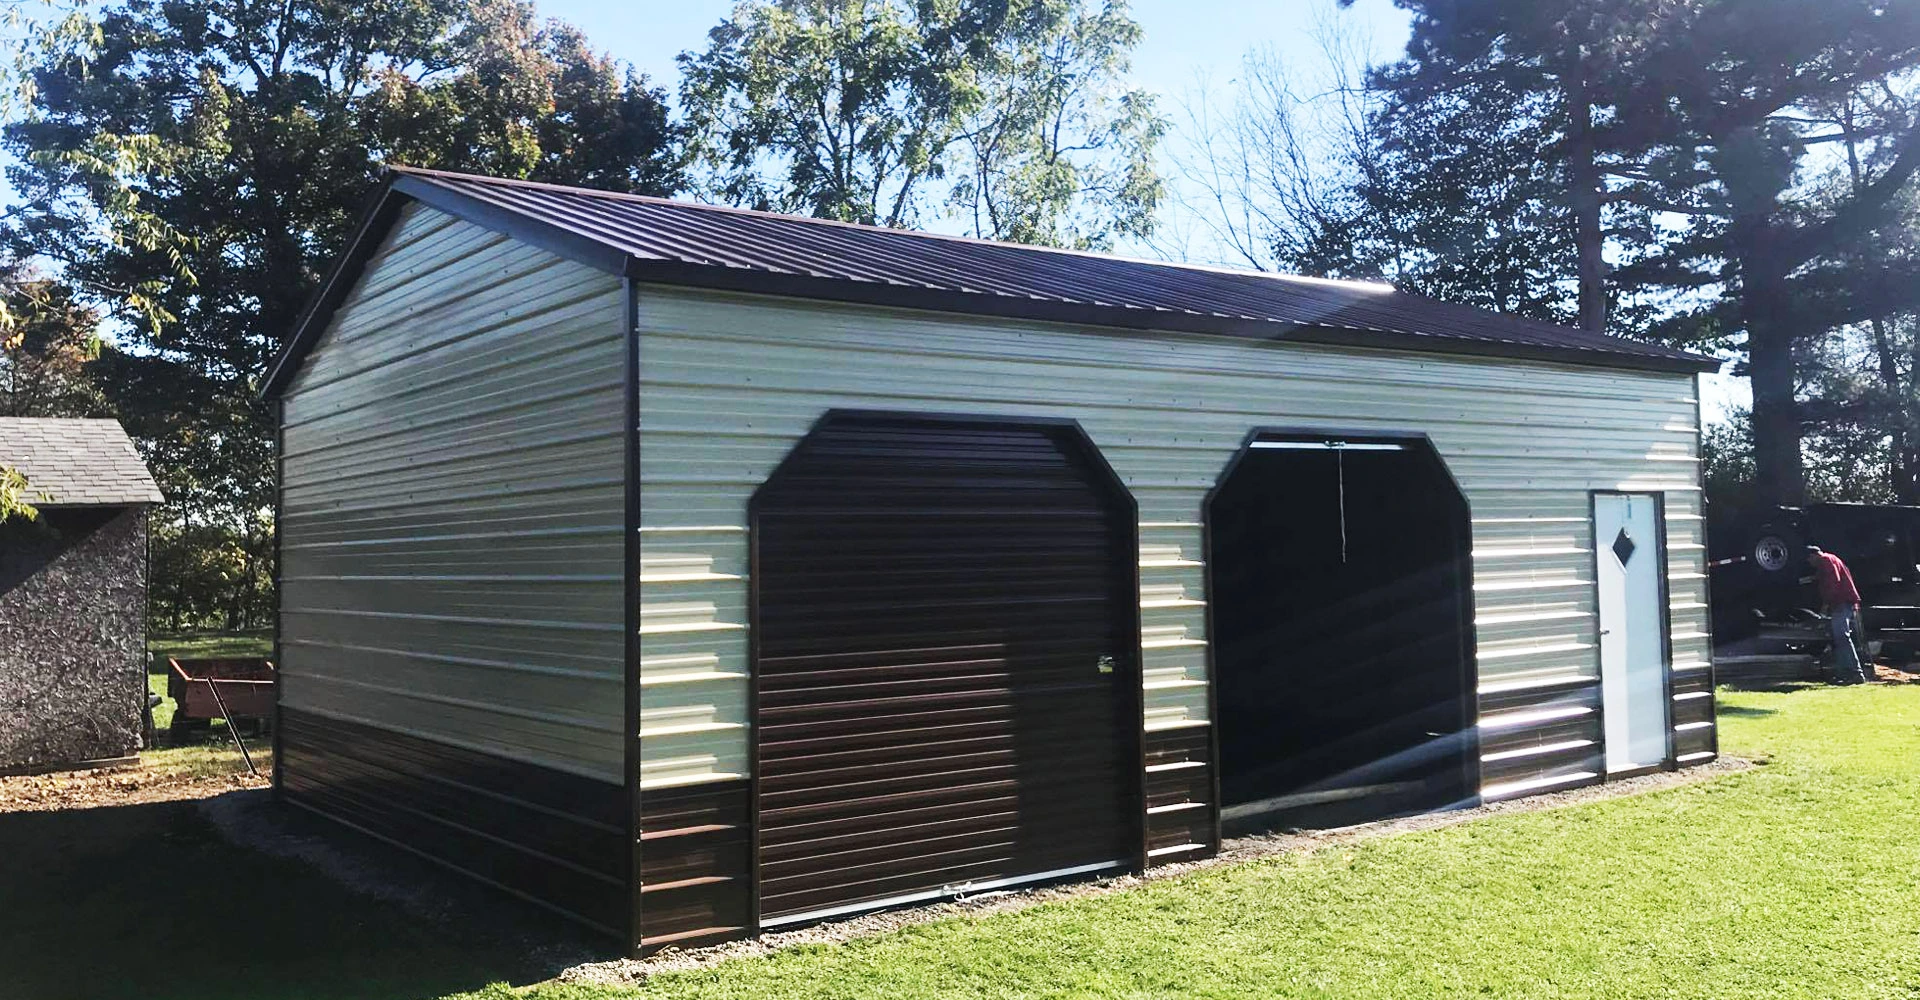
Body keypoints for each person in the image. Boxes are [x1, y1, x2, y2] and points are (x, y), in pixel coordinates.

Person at [1808, 545, 1871, 684]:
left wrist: (1825, 604)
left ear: (1813, 556)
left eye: (1809, 560)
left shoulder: (1826, 561)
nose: (1810, 564)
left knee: (1842, 637)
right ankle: (1845, 673)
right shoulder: (1833, 558)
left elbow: (1833, 582)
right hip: (1844, 601)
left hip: (1841, 602)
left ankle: (1855, 673)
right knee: (1841, 638)